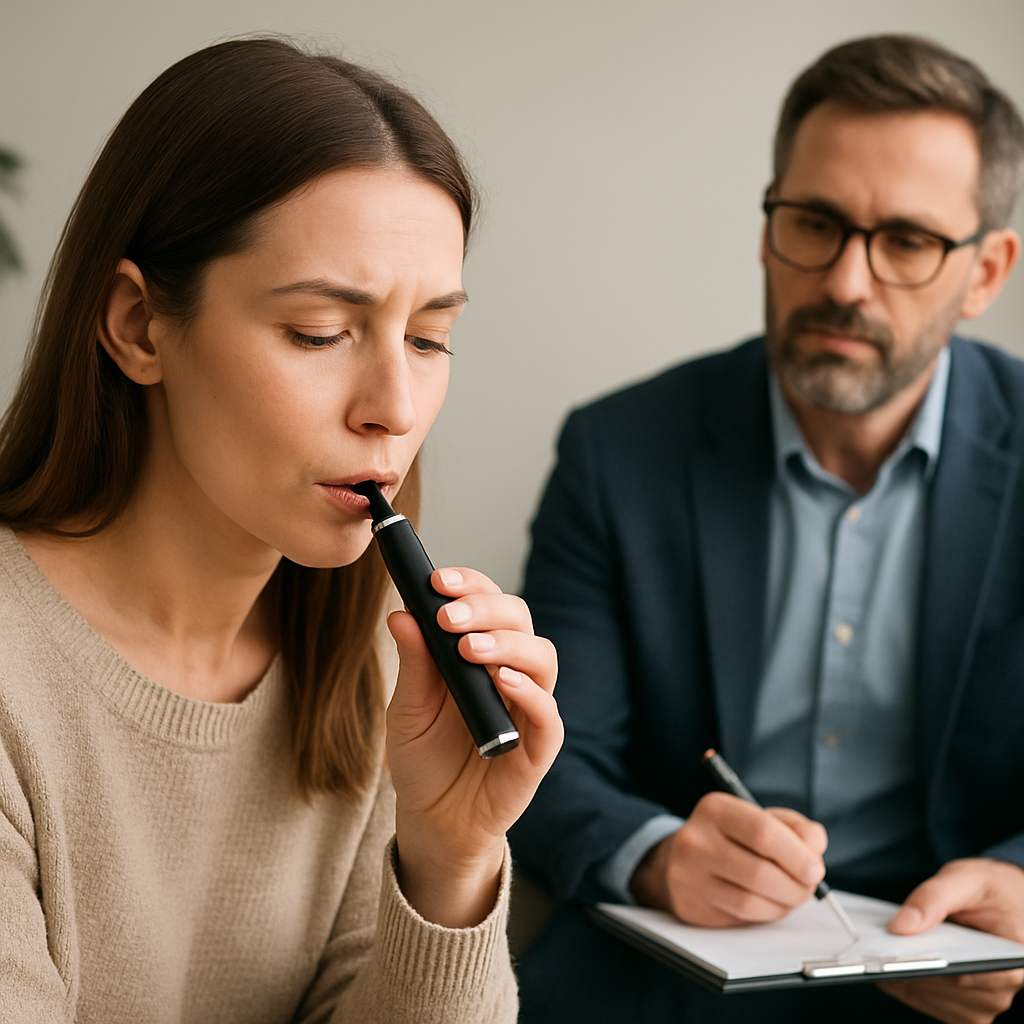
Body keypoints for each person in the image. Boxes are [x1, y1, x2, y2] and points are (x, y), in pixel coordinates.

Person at [0, 38, 562, 1024]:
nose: (393, 404)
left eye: (430, 338)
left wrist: (450, 860)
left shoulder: (376, 681)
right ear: (138, 325)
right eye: (319, 332)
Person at [510, 33, 1024, 1024]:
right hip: (681, 953)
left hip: (965, 960)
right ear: (765, 224)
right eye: (815, 223)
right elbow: (545, 755)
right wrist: (657, 857)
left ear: (987, 270)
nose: (845, 283)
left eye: (907, 242)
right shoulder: (618, 450)